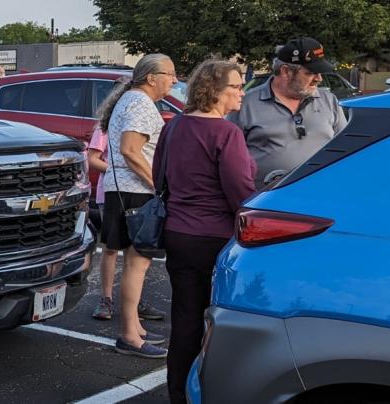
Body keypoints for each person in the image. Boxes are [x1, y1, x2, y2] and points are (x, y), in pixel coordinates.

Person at [153, 60, 256, 403]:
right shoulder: (227, 134)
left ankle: (177, 393)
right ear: (214, 91)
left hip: (177, 233)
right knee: (217, 322)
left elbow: (159, 178)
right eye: (236, 86)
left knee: (184, 319)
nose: (242, 92)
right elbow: (240, 193)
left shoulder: (174, 126)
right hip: (214, 237)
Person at [99, 53, 177, 359]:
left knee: (136, 262)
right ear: (151, 77)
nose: (175, 79)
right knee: (137, 263)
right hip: (134, 191)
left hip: (125, 189)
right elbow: (131, 150)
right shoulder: (139, 103)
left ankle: (135, 328)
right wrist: (157, 185)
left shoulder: (133, 100)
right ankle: (130, 335)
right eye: (170, 74)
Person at [228, 37, 347, 188]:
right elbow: (230, 160)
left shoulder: (329, 101)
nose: (319, 79)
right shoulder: (246, 104)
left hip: (320, 197)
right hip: (267, 203)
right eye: (311, 72)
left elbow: (345, 149)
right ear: (286, 71)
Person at [88, 126, 166, 322]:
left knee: (136, 251)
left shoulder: (143, 126)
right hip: (112, 193)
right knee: (110, 248)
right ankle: (106, 299)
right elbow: (92, 158)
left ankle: (134, 300)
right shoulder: (106, 127)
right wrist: (124, 170)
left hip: (141, 193)